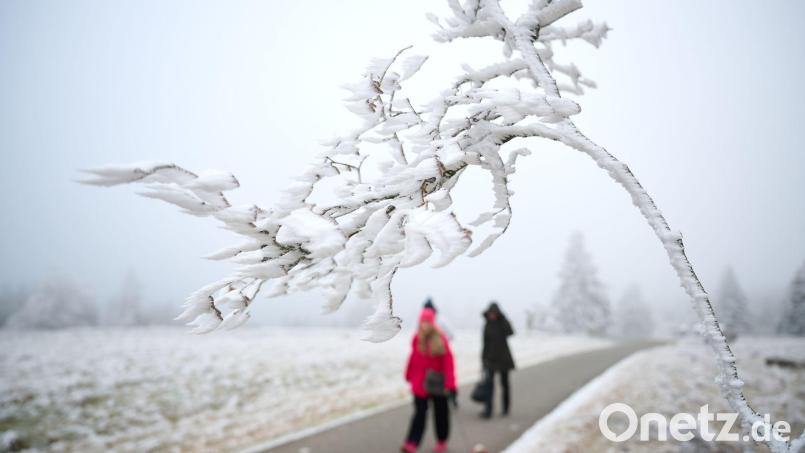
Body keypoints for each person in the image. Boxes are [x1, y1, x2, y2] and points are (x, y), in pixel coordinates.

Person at [402, 307, 457, 453]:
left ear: (432, 323)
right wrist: (408, 374)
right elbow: (412, 358)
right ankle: (412, 442)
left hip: (438, 384)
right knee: (419, 414)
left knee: (441, 414)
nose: (424, 325)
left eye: (427, 322)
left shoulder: (440, 339)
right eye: (422, 322)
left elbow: (448, 362)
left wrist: (450, 383)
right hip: (420, 384)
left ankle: (441, 441)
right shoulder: (416, 338)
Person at [480, 302, 514, 418]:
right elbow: (484, 343)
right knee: (489, 385)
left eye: (494, 313)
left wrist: (503, 319)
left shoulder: (502, 323)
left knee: (504, 384)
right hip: (490, 359)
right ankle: (488, 410)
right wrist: (483, 359)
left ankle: (505, 408)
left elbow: (510, 332)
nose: (492, 315)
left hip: (503, 358)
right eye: (490, 313)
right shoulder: (487, 324)